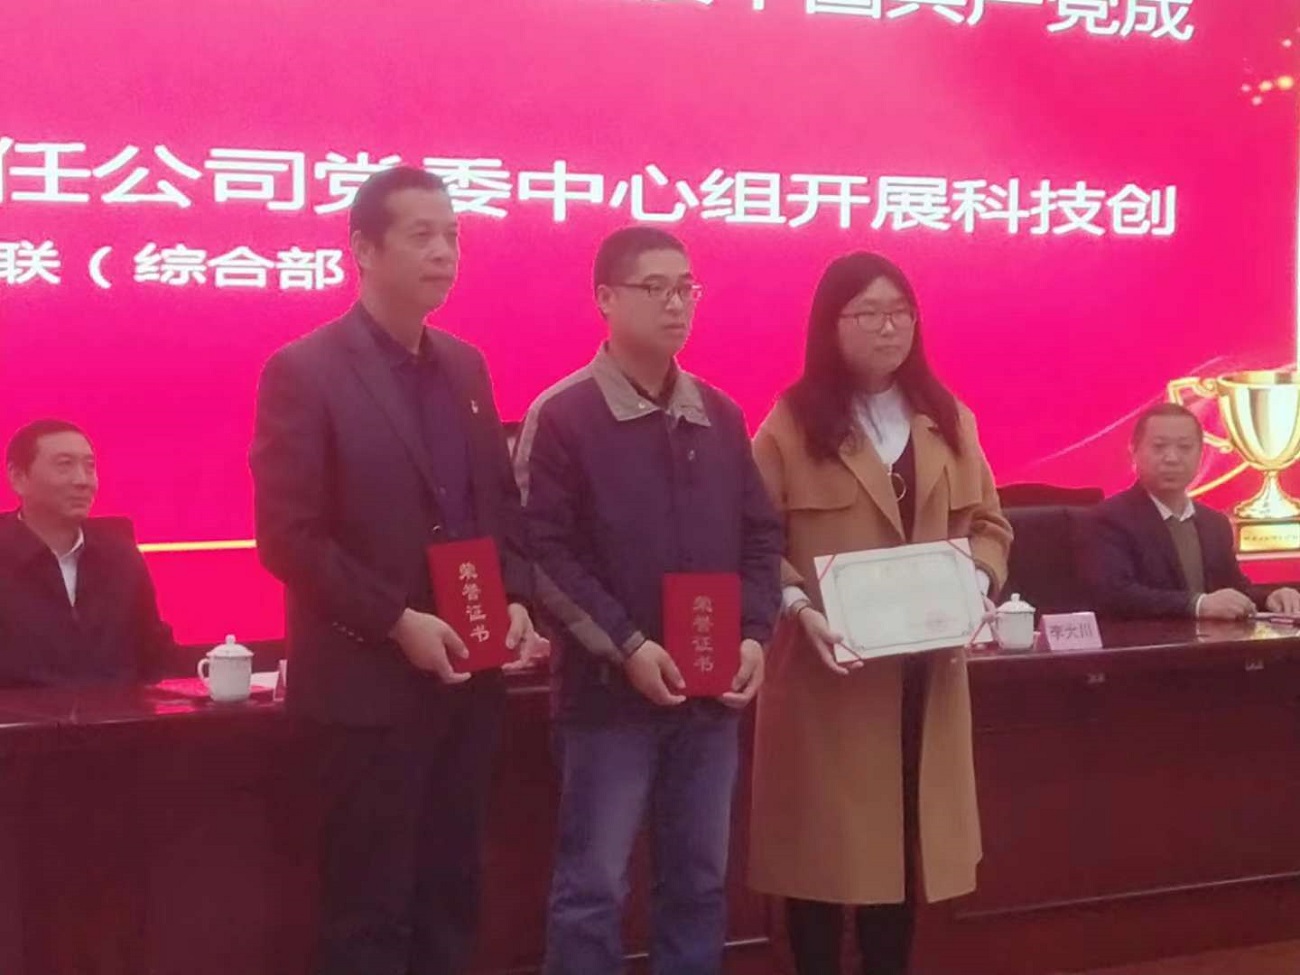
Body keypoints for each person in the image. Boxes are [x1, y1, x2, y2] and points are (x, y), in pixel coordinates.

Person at [250, 166, 539, 975]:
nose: (445, 252)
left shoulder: (466, 365)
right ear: (364, 249)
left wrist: (516, 595)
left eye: (453, 236)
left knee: (451, 893)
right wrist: (396, 620)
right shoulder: (305, 369)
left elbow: (498, 504)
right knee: (368, 912)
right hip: (366, 693)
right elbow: (288, 537)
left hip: (468, 684)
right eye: (423, 236)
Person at [515, 226, 782, 975]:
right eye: (655, 288)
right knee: (594, 887)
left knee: (699, 882)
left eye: (687, 288)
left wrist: (754, 634)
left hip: (710, 698)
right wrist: (628, 646)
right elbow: (541, 553)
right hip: (609, 701)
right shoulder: (564, 415)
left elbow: (762, 537)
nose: (676, 304)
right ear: (605, 298)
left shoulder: (720, 415)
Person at [748, 253, 1012, 975]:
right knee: (819, 859)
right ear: (829, 325)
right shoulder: (789, 424)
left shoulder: (947, 417)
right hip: (827, 678)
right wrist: (797, 605)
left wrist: (975, 583)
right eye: (866, 312)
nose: (887, 327)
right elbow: (754, 540)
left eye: (899, 311)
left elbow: (990, 524)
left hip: (923, 676)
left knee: (902, 851)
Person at [1083, 402, 1300, 620]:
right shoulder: (1108, 518)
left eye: (1185, 447)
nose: (1172, 458)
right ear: (1134, 452)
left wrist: (1270, 598)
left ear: (1200, 454)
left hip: (1215, 641)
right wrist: (1197, 605)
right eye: (1159, 447)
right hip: (1146, 640)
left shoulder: (1214, 523)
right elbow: (1115, 594)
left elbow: (1234, 590)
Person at [0, 419, 174, 688]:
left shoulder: (121, 557)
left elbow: (153, 656)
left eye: (89, 466)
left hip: (118, 712)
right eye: (64, 465)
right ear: (18, 478)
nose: (82, 481)